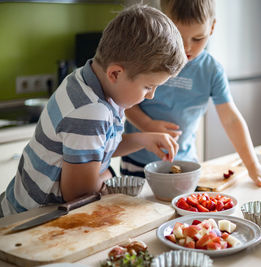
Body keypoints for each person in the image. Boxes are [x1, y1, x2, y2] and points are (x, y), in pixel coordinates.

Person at [0, 4, 186, 217]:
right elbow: (79, 193)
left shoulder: (89, 81)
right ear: (115, 73)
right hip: (29, 221)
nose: (151, 95)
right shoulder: (90, 111)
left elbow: (95, 149)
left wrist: (143, 139)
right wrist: (108, 177)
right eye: (148, 87)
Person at [120, 0, 261, 188]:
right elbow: (121, 100)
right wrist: (147, 124)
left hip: (185, 165)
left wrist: (252, 165)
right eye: (178, 36)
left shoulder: (211, 70)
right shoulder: (147, 58)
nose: (187, 47)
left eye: (198, 38)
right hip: (137, 163)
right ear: (165, 23)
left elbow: (231, 119)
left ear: (212, 27)